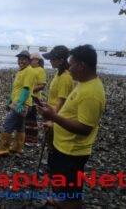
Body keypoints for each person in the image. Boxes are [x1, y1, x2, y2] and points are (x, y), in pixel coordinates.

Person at [37, 45, 106, 209]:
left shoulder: (92, 93)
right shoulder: (83, 83)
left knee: (71, 193)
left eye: (71, 64)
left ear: (82, 65)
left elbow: (84, 128)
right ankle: (60, 201)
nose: (69, 68)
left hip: (73, 152)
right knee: (61, 183)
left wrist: (53, 117)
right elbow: (70, 112)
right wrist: (53, 117)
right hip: (63, 146)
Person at [0, 50, 35, 156]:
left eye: (24, 59)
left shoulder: (29, 71)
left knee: (8, 124)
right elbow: (16, 88)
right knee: (20, 125)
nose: (21, 61)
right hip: (16, 102)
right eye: (19, 59)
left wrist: (20, 104)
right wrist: (9, 101)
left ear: (29, 61)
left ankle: (3, 149)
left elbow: (26, 89)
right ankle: (17, 147)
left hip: (22, 103)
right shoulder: (20, 71)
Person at [42, 45, 74, 149]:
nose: (50, 61)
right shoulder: (59, 74)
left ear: (61, 60)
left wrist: (52, 119)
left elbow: (62, 101)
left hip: (57, 115)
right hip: (51, 112)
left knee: (53, 144)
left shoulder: (65, 77)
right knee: (49, 142)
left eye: (52, 59)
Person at [24, 53, 46, 143]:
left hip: (34, 97)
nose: (30, 61)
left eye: (31, 59)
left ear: (37, 60)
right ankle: (25, 136)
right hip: (27, 96)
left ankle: (32, 138)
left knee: (31, 117)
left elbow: (42, 85)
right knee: (25, 117)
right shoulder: (30, 69)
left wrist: (29, 90)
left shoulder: (40, 70)